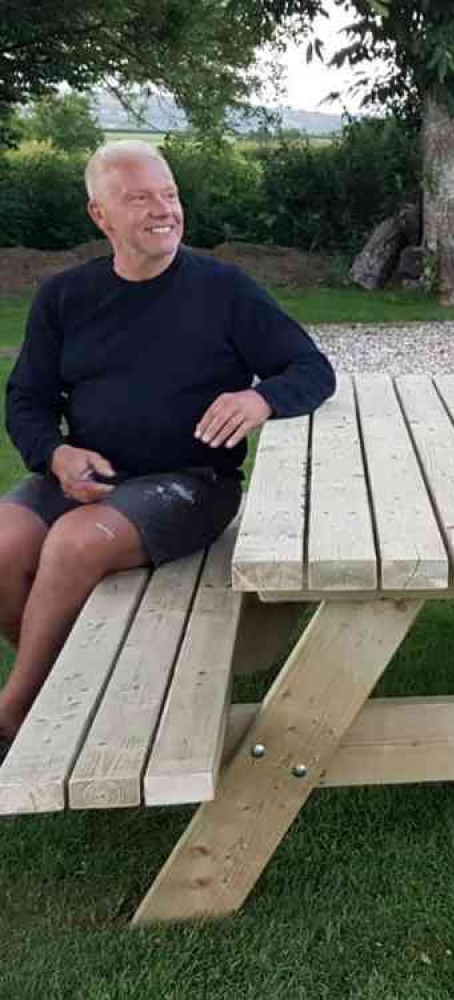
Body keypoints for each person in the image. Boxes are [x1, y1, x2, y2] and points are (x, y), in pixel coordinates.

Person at [0, 140, 336, 755]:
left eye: (170, 195)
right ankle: (73, 690)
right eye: (140, 198)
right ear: (100, 215)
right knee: (2, 544)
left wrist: (259, 401)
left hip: (191, 481)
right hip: (87, 472)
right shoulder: (65, 298)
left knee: (74, 544)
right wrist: (54, 454)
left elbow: (310, 368)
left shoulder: (224, 290)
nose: (164, 210)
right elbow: (26, 400)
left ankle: (15, 718)